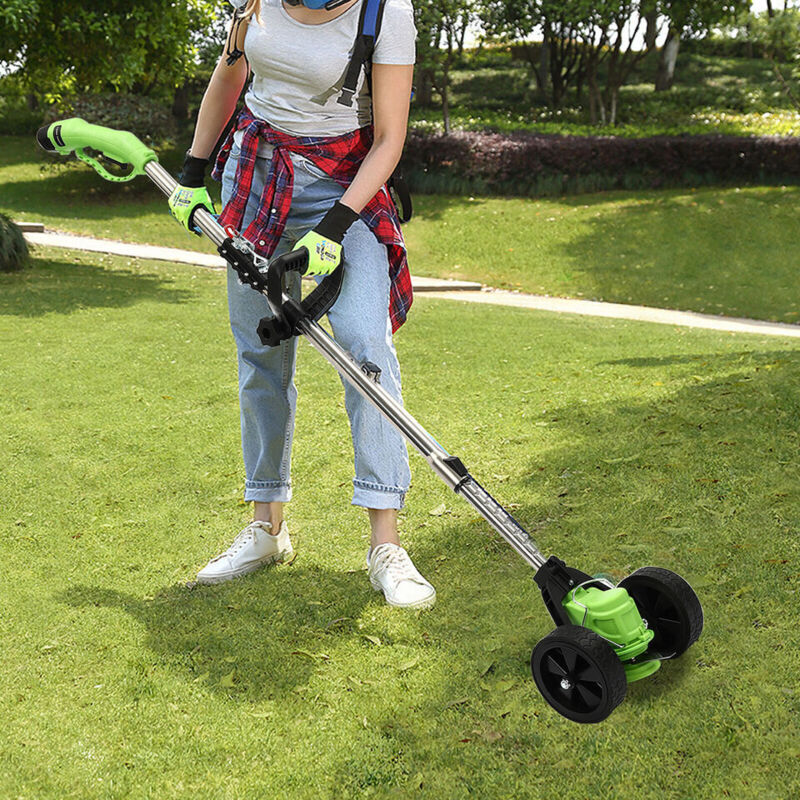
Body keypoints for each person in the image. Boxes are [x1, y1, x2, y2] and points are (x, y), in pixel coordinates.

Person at [167, 0, 435, 608]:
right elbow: (231, 72)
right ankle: (267, 527)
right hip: (255, 180)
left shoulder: (385, 11)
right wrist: (192, 172)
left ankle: (386, 544)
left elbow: (389, 138)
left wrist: (334, 227)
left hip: (346, 186)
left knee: (366, 349)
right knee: (260, 355)